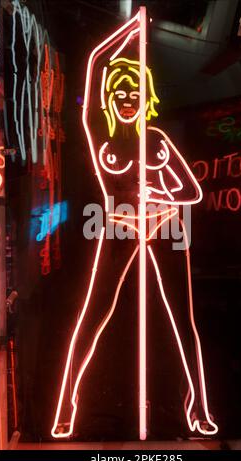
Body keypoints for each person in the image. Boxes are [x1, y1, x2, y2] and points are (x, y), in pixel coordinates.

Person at [51, 13, 218, 439]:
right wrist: (125, 33)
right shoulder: (101, 136)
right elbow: (90, 77)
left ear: (146, 98)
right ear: (111, 98)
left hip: (164, 229)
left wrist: (157, 199)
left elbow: (191, 192)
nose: (127, 98)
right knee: (94, 314)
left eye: (135, 92)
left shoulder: (158, 142)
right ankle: (67, 407)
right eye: (120, 92)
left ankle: (197, 408)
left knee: (183, 320)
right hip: (117, 229)